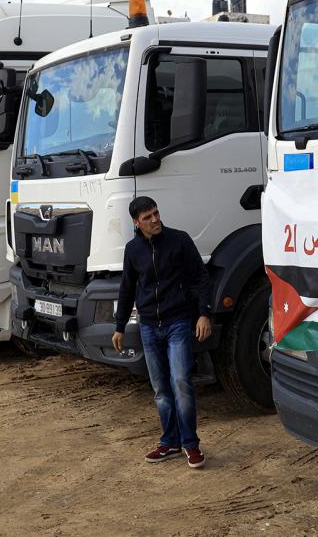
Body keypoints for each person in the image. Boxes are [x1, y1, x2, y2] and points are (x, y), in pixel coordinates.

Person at [113, 196, 212, 468]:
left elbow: (201, 278)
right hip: (148, 326)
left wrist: (204, 313)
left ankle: (191, 444)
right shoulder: (133, 250)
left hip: (179, 322)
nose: (155, 220)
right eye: (147, 217)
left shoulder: (179, 240)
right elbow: (127, 288)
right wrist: (119, 326)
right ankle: (169, 442)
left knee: (181, 382)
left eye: (156, 213)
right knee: (160, 389)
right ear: (136, 222)